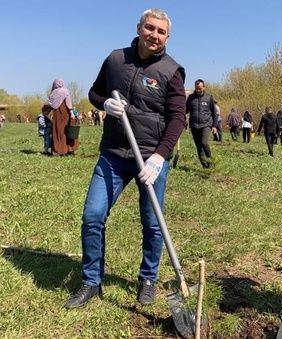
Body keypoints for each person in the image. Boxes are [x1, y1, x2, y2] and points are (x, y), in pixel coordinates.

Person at [64, 8, 186, 309]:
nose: (154, 35)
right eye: (150, 28)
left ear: (167, 37)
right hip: (113, 155)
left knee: (152, 223)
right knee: (92, 216)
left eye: (160, 31)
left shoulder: (171, 71)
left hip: (150, 159)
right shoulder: (116, 60)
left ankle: (148, 279)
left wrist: (159, 157)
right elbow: (94, 92)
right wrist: (104, 101)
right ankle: (91, 281)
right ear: (139, 28)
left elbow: (177, 119)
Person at [42, 79, 80, 156]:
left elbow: (51, 105)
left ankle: (57, 151)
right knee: (68, 130)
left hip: (57, 115)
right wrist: (72, 112)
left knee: (58, 131)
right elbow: (69, 103)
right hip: (66, 114)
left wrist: (45, 111)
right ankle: (70, 149)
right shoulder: (65, 91)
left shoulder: (53, 94)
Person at [186, 79, 217, 168]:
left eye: (200, 88)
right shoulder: (191, 98)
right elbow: (185, 110)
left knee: (204, 142)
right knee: (198, 146)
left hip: (206, 124)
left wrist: (214, 126)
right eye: (196, 88)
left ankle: (210, 161)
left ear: (204, 87)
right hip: (194, 125)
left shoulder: (209, 97)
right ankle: (204, 165)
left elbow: (214, 113)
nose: (198, 90)